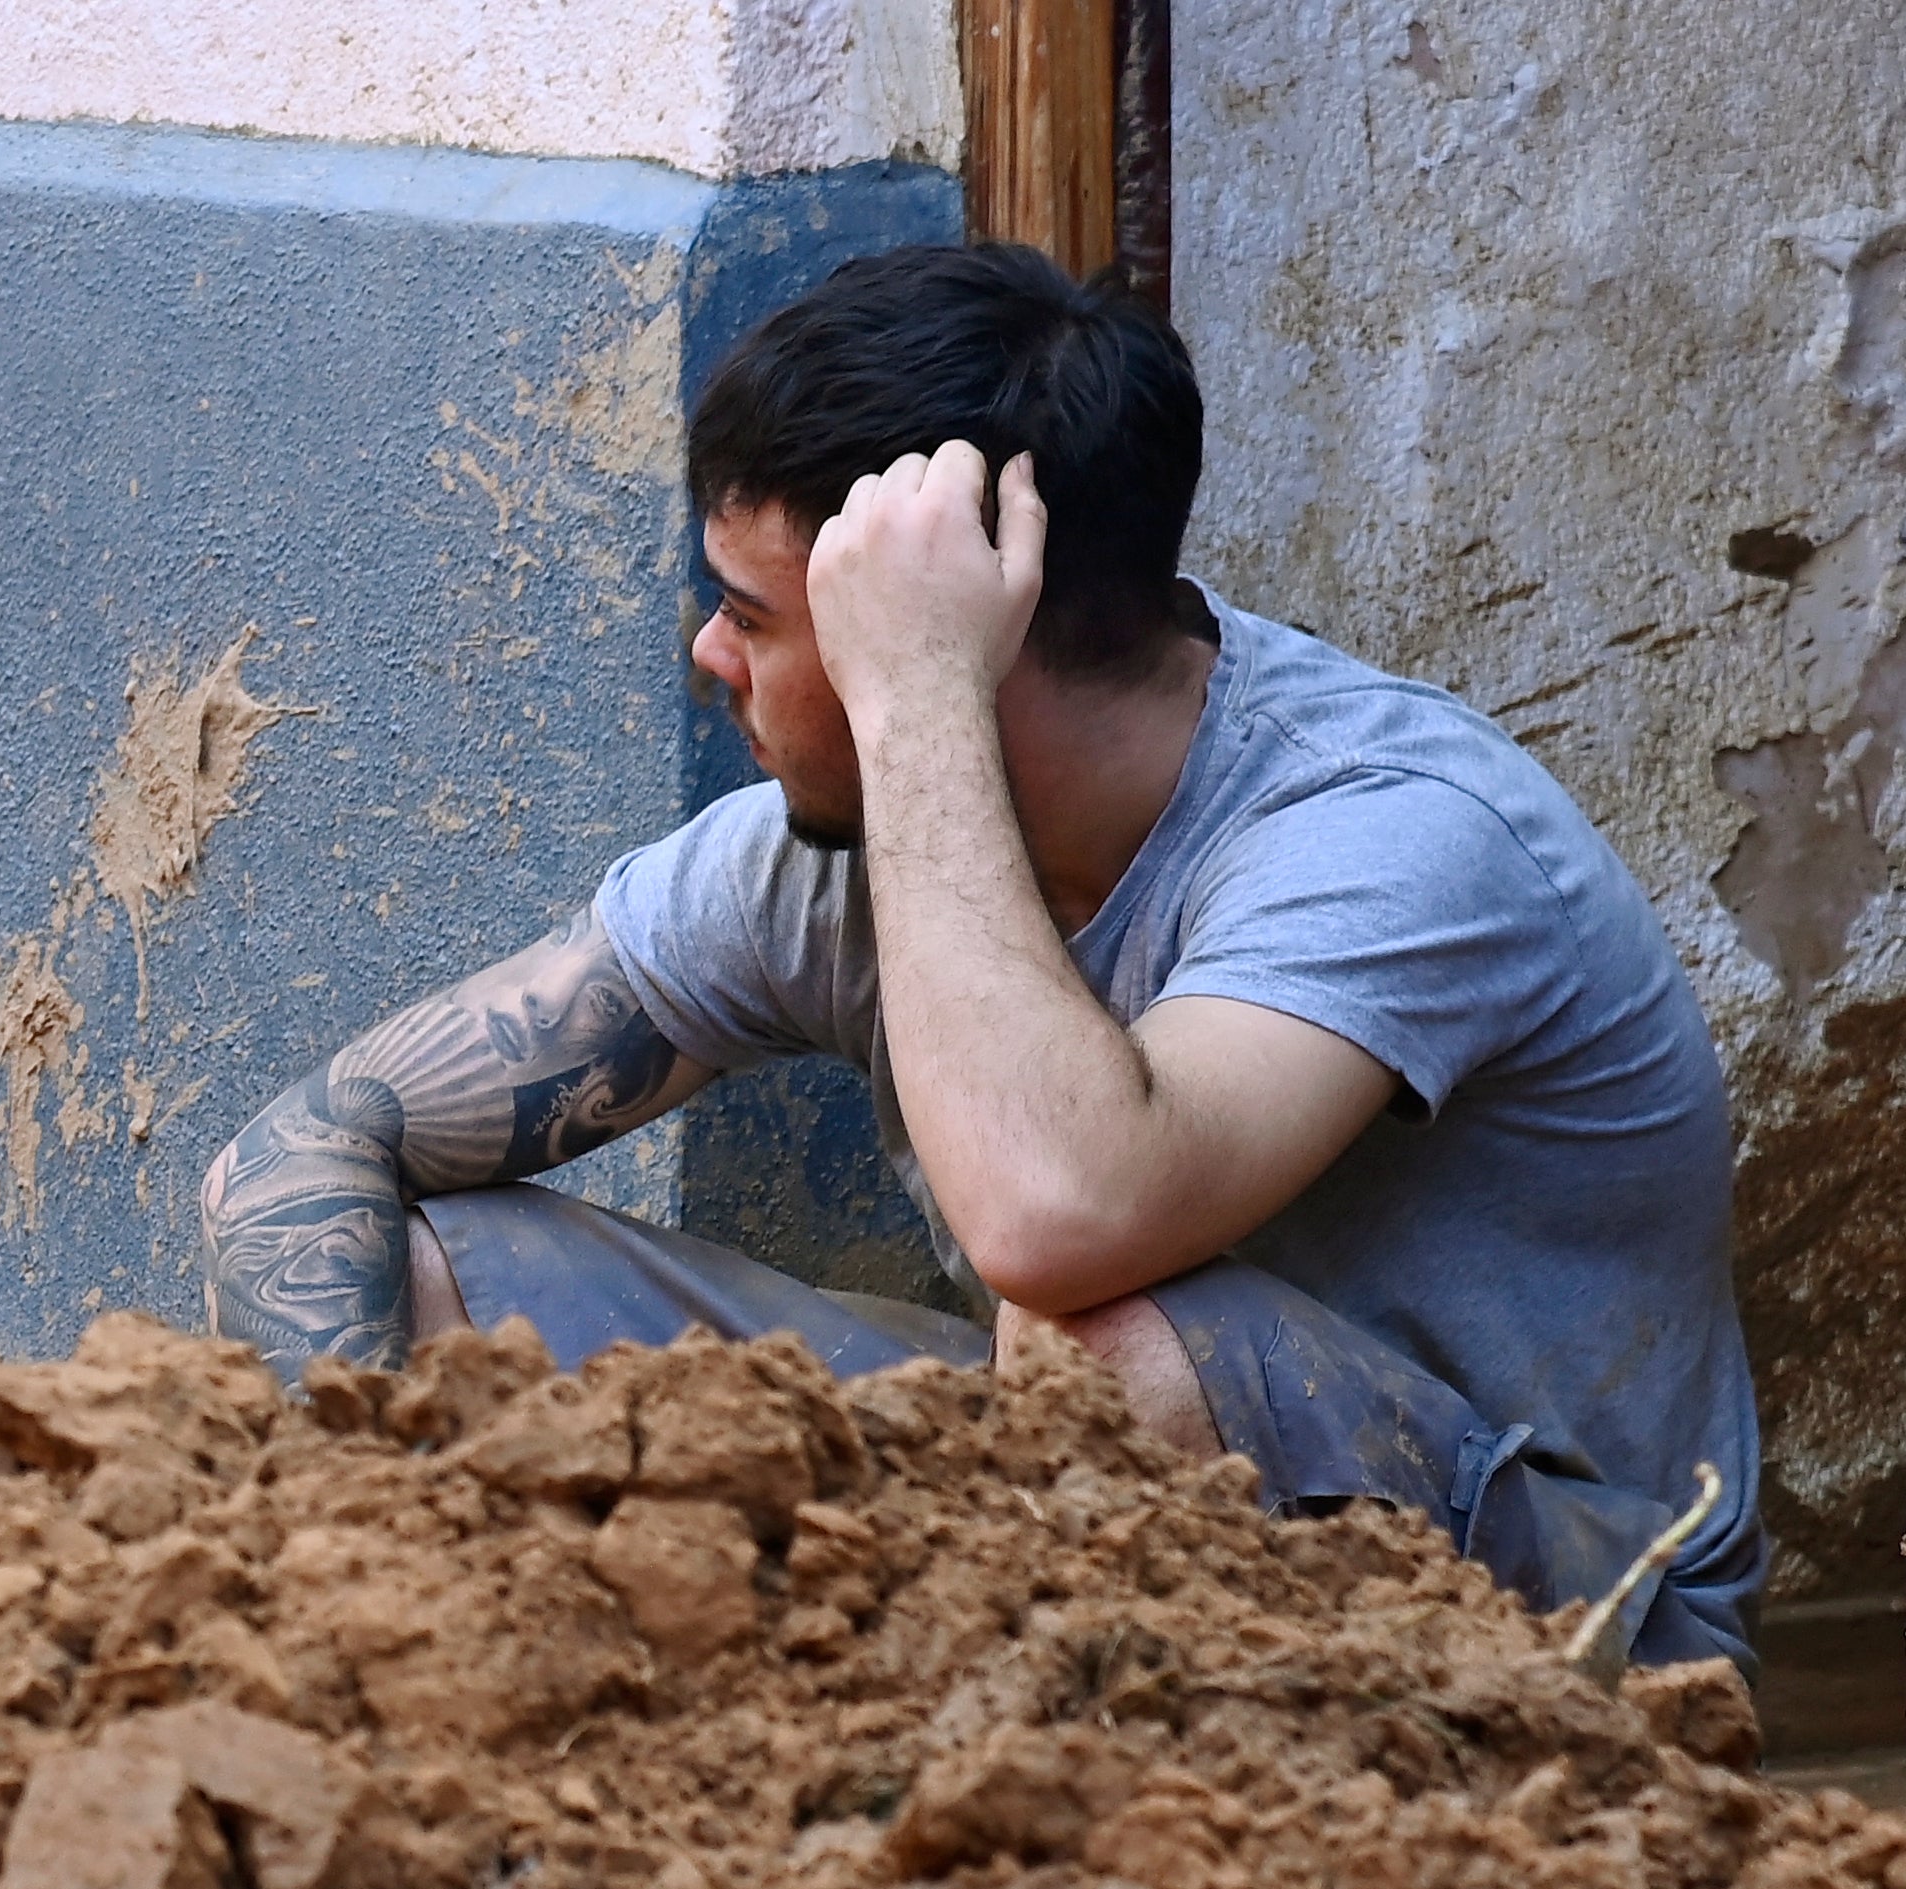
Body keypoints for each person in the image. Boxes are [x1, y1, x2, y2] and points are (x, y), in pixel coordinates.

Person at [197, 241, 1762, 1674]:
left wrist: (923, 704)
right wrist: (343, 1547)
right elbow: (308, 1148)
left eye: (756, 616)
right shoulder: (824, 845)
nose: (708, 659)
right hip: (1094, 1521)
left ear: (948, 633)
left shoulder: (1391, 837)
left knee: (1100, 1340)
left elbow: (1057, 1217)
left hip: (1573, 1628)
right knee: (423, 1275)